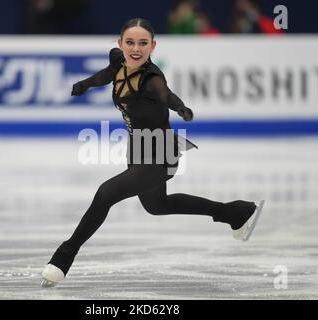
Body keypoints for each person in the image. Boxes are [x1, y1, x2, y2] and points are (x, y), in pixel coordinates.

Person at [41, 18, 265, 287]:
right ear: (120, 43)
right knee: (157, 205)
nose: (136, 48)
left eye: (143, 43)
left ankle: (63, 258)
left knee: (105, 194)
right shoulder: (118, 61)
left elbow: (166, 95)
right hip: (137, 148)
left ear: (153, 46)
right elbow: (108, 74)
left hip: (160, 152)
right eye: (130, 42)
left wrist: (181, 109)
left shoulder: (152, 79)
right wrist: (87, 84)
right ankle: (236, 212)